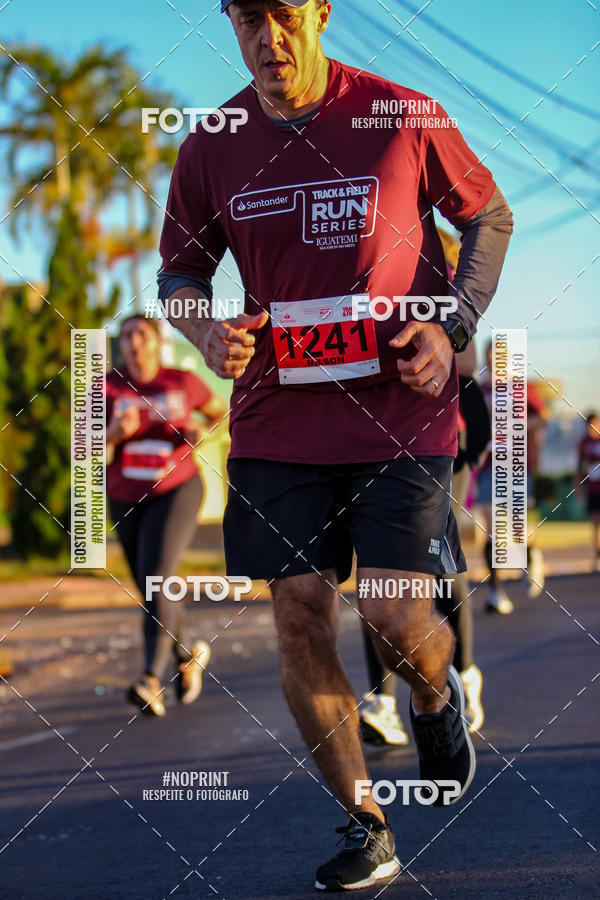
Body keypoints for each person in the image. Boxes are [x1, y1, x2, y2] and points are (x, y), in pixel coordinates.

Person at [159, 0, 513, 890]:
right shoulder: (212, 142)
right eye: (247, 19)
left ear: (320, 13)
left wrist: (451, 322)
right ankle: (367, 823)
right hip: (279, 419)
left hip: (404, 407)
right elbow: (180, 274)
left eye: (284, 13)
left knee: (394, 613)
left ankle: (435, 697)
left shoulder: (402, 114)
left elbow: (489, 216)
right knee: (299, 612)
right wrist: (204, 334)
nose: (267, 38)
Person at [360, 342, 489, 742]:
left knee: (440, 568)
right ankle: (383, 704)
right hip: (375, 444)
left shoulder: (442, 287)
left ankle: (464, 675)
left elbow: (467, 362)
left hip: (441, 443)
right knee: (377, 575)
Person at [106, 315, 226, 717]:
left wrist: (200, 431)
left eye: (141, 334)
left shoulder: (182, 381)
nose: (133, 341)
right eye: (126, 335)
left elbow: (219, 412)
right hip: (125, 494)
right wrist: (113, 434)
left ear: (158, 342)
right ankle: (188, 651)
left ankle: (151, 678)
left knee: (157, 578)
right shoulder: (106, 385)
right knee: (149, 585)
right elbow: (82, 446)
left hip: (176, 489)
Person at [477, 341, 547, 613]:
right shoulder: (481, 390)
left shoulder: (523, 387)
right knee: (492, 530)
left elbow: (543, 417)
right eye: (490, 357)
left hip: (516, 464)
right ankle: (496, 592)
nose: (494, 362)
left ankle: (529, 556)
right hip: (487, 466)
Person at [575, 412, 600, 571]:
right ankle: (597, 557)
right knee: (596, 524)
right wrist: (578, 488)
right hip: (593, 489)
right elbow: (578, 468)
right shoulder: (583, 442)